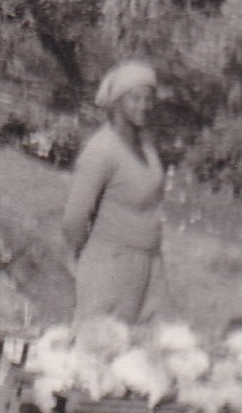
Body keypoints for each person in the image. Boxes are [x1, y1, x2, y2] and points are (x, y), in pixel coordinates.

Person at [62, 60, 167, 324]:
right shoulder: (101, 151)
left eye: (148, 99)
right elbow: (74, 219)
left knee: (142, 351)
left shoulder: (147, 147)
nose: (144, 105)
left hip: (149, 265)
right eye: (135, 98)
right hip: (110, 265)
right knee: (100, 346)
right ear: (117, 102)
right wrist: (89, 258)